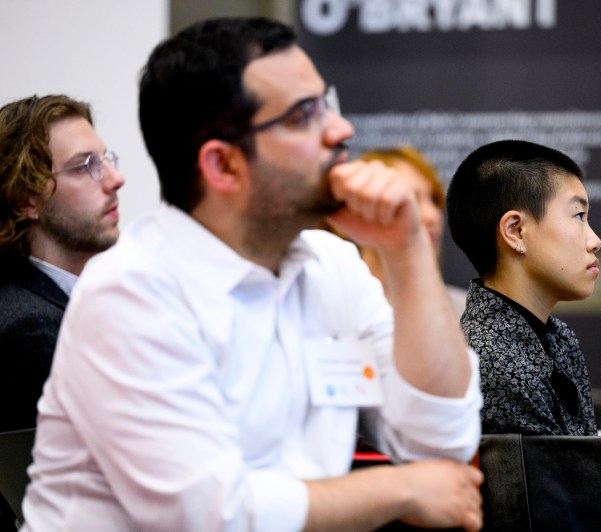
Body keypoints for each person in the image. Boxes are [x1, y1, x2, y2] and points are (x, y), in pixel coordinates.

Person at [21, 17, 483, 532]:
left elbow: (442, 439)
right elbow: (213, 515)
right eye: (304, 115)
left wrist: (407, 250)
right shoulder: (132, 290)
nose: (341, 129)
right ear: (223, 165)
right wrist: (399, 490)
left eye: (325, 102)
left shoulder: (331, 264)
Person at [447, 139, 600, 436]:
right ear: (516, 231)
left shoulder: (561, 339)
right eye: (578, 216)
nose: (594, 240)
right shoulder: (488, 360)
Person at [0, 94, 125, 432]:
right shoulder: (32, 331)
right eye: (86, 166)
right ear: (28, 198)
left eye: (105, 159)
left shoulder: (72, 298)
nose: (115, 179)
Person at [346, 145, 467, 315]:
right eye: (410, 200)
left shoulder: (469, 313)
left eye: (433, 200)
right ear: (360, 210)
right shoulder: (329, 304)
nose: (433, 216)